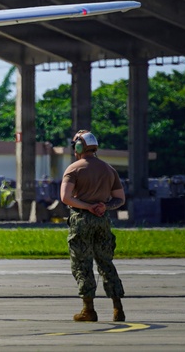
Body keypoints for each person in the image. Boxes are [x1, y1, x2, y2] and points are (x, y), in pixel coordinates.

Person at [60, 130, 126, 322]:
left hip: (82, 220)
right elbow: (120, 199)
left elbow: (65, 198)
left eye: (75, 146)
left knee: (82, 264)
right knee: (106, 263)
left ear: (79, 147)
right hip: (103, 219)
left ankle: (88, 310)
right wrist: (104, 206)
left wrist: (88, 206)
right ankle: (118, 308)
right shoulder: (109, 170)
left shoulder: (74, 169)